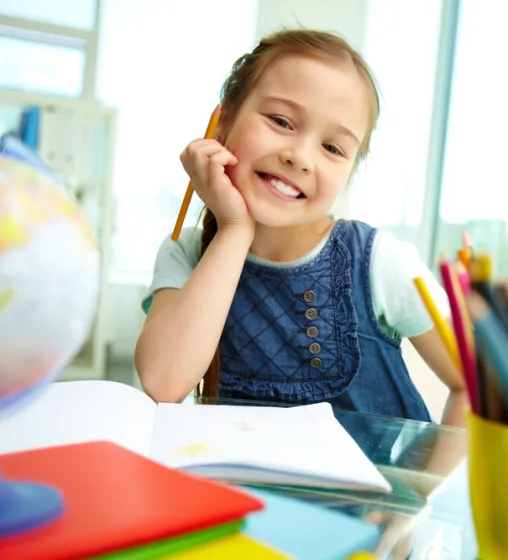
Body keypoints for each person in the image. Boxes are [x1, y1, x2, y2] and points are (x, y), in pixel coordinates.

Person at [135, 28, 467, 431]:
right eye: (281, 121)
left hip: (375, 493)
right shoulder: (185, 253)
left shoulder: (380, 262)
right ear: (220, 126)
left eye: (333, 148)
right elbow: (163, 383)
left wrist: (421, 490)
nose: (301, 157)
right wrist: (235, 229)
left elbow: (473, 388)